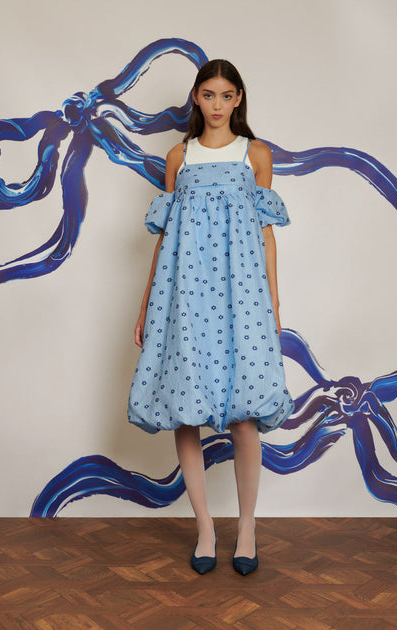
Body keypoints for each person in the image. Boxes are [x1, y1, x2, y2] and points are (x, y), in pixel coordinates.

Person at [128, 59, 294, 575]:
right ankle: (204, 527)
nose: (217, 105)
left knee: (244, 415)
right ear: (196, 98)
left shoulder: (255, 154)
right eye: (208, 94)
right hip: (184, 294)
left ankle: (246, 528)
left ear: (238, 98)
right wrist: (146, 302)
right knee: (186, 408)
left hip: (240, 295)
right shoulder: (179, 157)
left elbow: (266, 235)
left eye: (226, 95)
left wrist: (273, 302)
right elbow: (165, 237)